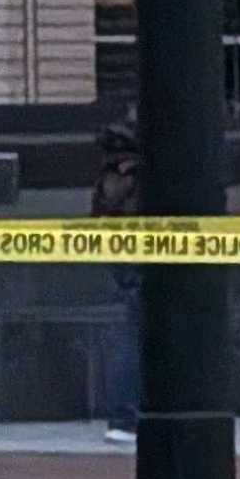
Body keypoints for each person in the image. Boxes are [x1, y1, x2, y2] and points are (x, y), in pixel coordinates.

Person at [91, 124, 144, 444]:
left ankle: (126, 414)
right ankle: (125, 415)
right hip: (143, 257)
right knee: (135, 334)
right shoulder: (136, 176)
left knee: (134, 330)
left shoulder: (109, 175)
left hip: (122, 256)